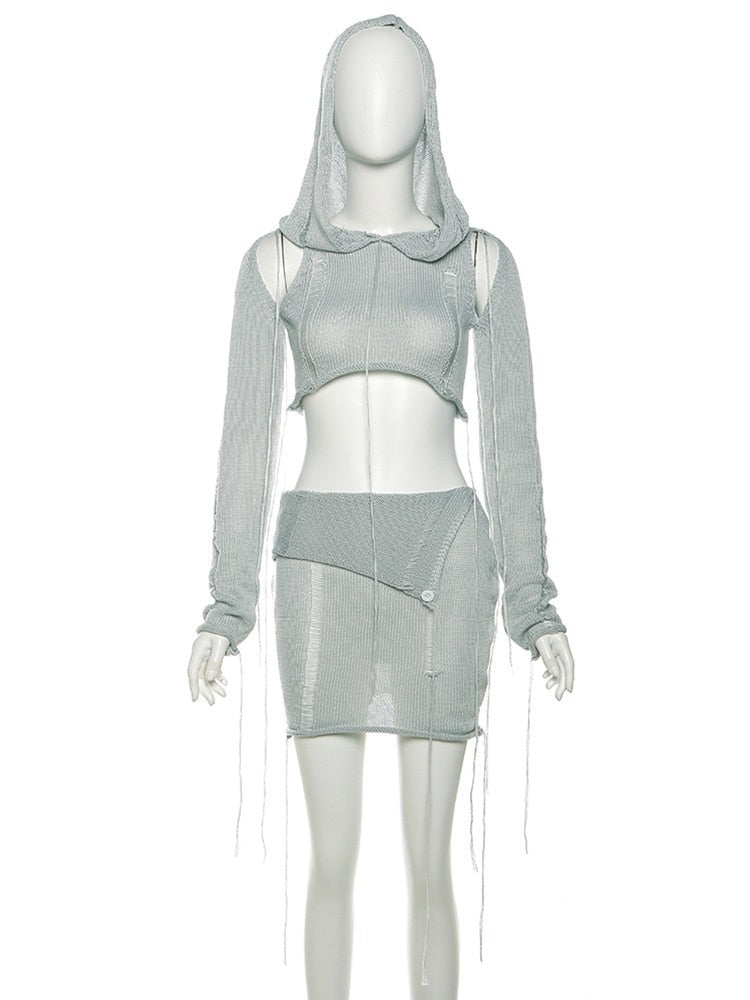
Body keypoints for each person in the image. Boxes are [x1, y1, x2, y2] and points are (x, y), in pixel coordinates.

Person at [187, 13, 574, 999]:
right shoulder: (276, 262)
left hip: (447, 554)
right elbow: (244, 444)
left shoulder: (479, 262)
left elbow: (513, 445)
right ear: (328, 98)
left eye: (398, 80)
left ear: (428, 103)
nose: (378, 99)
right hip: (317, 562)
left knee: (431, 868)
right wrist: (227, 606)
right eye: (360, 79)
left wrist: (534, 604)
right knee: (331, 864)